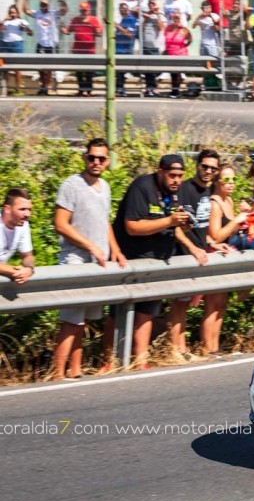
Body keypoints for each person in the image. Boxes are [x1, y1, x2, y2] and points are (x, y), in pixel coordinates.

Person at [52, 139, 127, 381]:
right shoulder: (71, 185)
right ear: (84, 158)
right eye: (92, 157)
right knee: (71, 320)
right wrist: (90, 246)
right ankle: (57, 375)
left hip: (98, 262)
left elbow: (103, 222)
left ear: (107, 161)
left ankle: (75, 372)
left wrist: (115, 250)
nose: (96, 162)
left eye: (101, 159)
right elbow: (60, 224)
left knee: (82, 321)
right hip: (75, 260)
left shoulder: (104, 186)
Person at [112, 155, 193, 368]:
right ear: (160, 172)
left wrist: (184, 227)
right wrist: (169, 221)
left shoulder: (173, 195)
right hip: (131, 259)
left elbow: (172, 226)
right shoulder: (142, 187)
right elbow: (132, 226)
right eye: (172, 175)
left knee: (147, 311)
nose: (176, 180)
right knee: (118, 312)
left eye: (180, 176)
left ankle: (141, 362)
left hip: (156, 261)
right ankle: (110, 361)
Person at [167, 150, 227, 359]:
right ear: (197, 166)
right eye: (205, 167)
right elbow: (174, 227)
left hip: (199, 253)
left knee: (188, 302)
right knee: (180, 303)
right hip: (183, 253)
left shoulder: (209, 190)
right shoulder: (183, 189)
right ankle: (177, 349)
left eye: (213, 168)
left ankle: (183, 348)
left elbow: (200, 227)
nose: (208, 171)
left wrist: (211, 243)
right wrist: (192, 248)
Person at [203, 164, 250, 355]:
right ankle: (207, 349)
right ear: (217, 181)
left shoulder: (228, 200)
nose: (231, 183)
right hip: (215, 254)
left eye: (233, 179)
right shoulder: (215, 203)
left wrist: (245, 217)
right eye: (226, 179)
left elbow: (231, 231)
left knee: (221, 303)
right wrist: (236, 221)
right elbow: (215, 236)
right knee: (212, 304)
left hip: (226, 255)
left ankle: (215, 347)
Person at [22, 0, 67, 96]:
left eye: (45, 4)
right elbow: (26, 10)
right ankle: (43, 85)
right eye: (42, 4)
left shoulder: (53, 13)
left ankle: (46, 86)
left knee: (50, 67)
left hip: (52, 44)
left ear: (48, 5)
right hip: (41, 43)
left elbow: (64, 10)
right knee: (40, 66)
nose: (43, 6)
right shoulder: (37, 14)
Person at [62, 1, 103, 97]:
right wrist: (64, 30)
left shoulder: (94, 20)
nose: (83, 12)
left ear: (89, 10)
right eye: (82, 10)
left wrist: (97, 31)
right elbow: (69, 31)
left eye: (85, 10)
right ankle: (81, 89)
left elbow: (99, 33)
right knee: (79, 72)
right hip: (77, 49)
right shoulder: (75, 20)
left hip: (89, 50)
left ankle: (88, 90)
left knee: (89, 71)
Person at [0, 189, 35, 285]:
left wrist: (29, 269)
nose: (27, 214)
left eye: (29, 209)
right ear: (7, 209)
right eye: (22, 209)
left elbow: (27, 255)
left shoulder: (23, 224)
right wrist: (15, 271)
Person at [163, 11, 192, 98]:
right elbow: (166, 38)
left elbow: (190, 39)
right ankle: (174, 91)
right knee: (173, 73)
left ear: (180, 19)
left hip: (180, 53)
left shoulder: (183, 29)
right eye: (174, 17)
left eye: (177, 18)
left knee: (177, 73)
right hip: (170, 53)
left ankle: (175, 91)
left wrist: (185, 45)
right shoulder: (168, 28)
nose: (176, 19)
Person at [140, 0, 165, 97]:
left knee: (155, 69)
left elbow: (162, 27)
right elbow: (141, 29)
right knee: (147, 70)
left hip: (155, 46)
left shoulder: (160, 14)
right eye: (150, 4)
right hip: (145, 46)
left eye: (153, 4)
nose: (152, 5)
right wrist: (147, 18)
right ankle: (149, 88)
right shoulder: (144, 15)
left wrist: (157, 14)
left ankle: (154, 87)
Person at [114, 3, 138, 97]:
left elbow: (129, 35)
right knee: (118, 72)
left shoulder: (131, 19)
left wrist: (117, 26)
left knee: (121, 72)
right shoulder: (123, 20)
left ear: (128, 9)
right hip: (118, 49)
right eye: (121, 9)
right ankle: (119, 88)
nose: (123, 10)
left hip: (125, 50)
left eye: (125, 8)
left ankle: (120, 88)